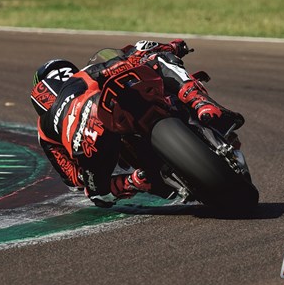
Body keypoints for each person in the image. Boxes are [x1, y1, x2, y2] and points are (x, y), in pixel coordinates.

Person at [30, 39, 243, 207]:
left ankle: (135, 181)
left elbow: (73, 179)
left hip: (90, 144)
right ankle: (199, 102)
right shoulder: (85, 75)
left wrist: (124, 182)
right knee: (159, 59)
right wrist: (173, 47)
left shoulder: (45, 131)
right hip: (104, 115)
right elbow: (142, 51)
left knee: (98, 194)